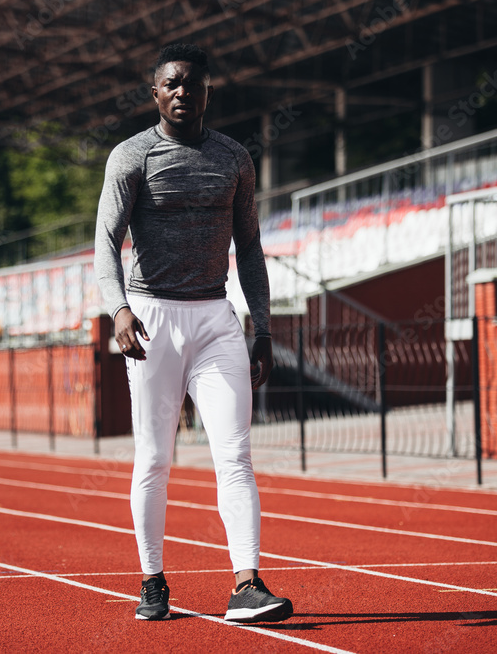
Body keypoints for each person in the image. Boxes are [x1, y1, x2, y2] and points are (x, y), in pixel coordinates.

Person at [94, 42, 293, 623]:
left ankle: (247, 584)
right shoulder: (131, 156)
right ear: (155, 93)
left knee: (235, 454)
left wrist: (264, 329)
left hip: (214, 318)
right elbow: (106, 241)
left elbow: (250, 246)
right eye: (171, 84)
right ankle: (153, 582)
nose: (183, 92)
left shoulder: (234, 157)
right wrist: (119, 309)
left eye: (193, 84)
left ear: (209, 91)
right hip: (152, 319)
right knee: (155, 458)